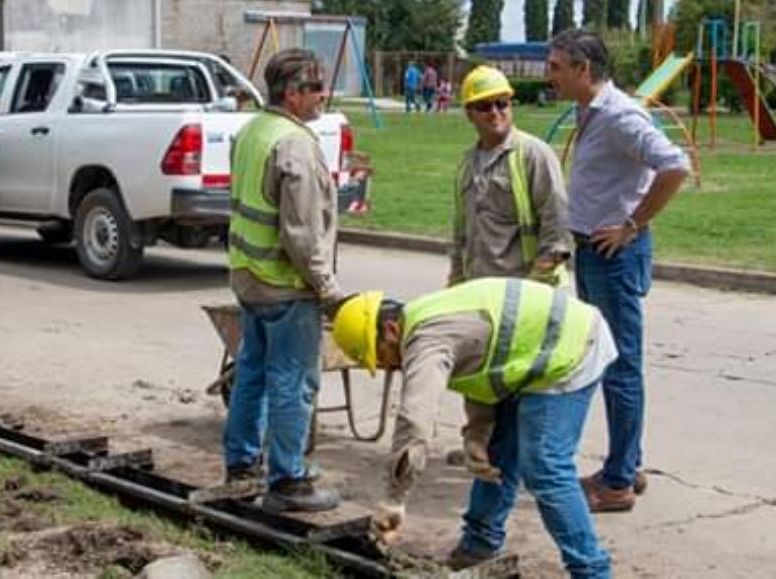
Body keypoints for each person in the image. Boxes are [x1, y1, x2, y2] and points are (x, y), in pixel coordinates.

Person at [332, 277, 616, 576]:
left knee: (546, 467)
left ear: (390, 330)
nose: (391, 368)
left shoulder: (425, 340)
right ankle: (478, 546)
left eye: (383, 357)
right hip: (533, 353)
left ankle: (591, 571)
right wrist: (477, 433)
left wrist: (394, 497)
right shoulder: (425, 316)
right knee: (496, 458)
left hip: (571, 349)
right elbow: (481, 362)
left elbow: (415, 421)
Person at [547, 30, 690, 512]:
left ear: (583, 70)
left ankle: (616, 485)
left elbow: (675, 166)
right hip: (593, 251)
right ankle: (627, 465)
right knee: (611, 360)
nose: (551, 76)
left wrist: (631, 225)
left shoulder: (621, 116)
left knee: (619, 366)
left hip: (614, 257)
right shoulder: (594, 111)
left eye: (556, 67)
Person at [224, 48, 344, 513]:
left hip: (249, 278)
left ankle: (240, 465)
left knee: (252, 372)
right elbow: (301, 232)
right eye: (315, 88)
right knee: (293, 383)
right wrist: (327, 289)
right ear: (292, 94)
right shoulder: (294, 144)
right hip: (285, 284)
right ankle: (289, 479)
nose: (322, 95)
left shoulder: (253, 130)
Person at [451, 65, 571, 289]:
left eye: (502, 104)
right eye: (485, 106)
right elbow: (460, 235)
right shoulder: (466, 165)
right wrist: (455, 286)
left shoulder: (534, 154)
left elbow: (557, 225)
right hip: (479, 290)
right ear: (469, 113)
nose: (495, 112)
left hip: (526, 288)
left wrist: (537, 285)